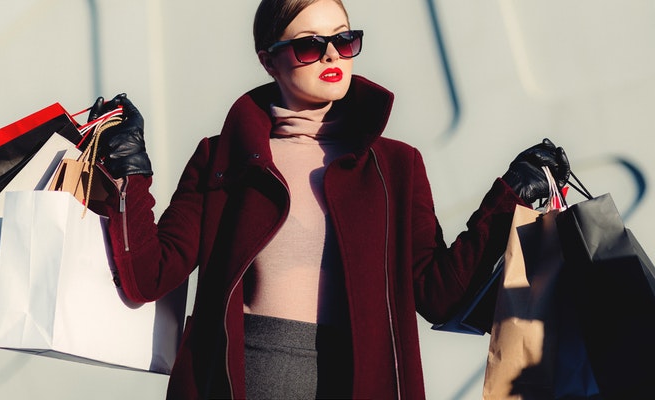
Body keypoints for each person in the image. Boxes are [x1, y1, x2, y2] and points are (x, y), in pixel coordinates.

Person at [88, 0, 570, 398]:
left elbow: (438, 296)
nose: (333, 57)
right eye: (308, 47)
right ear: (267, 58)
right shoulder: (224, 157)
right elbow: (148, 276)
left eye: (344, 40)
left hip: (361, 382)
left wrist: (508, 198)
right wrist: (130, 171)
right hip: (244, 382)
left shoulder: (396, 166)